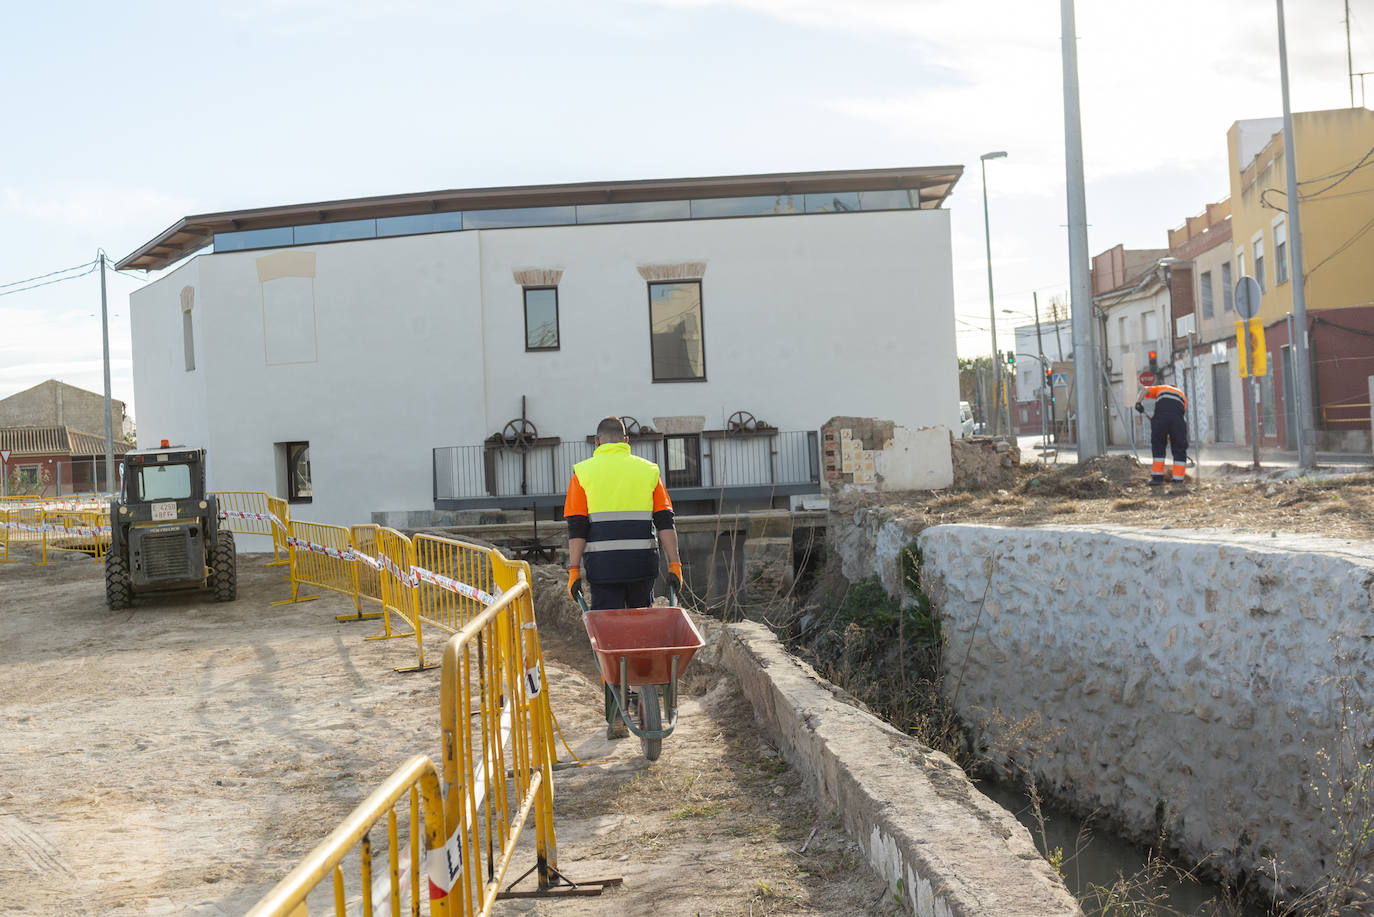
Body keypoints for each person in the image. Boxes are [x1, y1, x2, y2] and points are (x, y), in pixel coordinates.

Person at [564, 415, 682, 738]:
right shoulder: (649, 471)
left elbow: (577, 528)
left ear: (597, 442)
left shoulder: (582, 473)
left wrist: (574, 571)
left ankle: (616, 714)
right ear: (627, 442)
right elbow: (665, 522)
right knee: (641, 635)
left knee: (609, 643)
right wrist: (675, 565)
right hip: (641, 568)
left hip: (603, 573)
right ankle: (647, 700)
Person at [1135, 383, 1188, 486]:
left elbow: (1145, 389)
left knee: (1158, 446)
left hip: (1160, 419)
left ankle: (1157, 479)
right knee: (1179, 448)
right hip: (1178, 421)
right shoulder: (1182, 395)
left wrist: (1138, 403)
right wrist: (1172, 433)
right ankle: (1178, 480)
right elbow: (1180, 414)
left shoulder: (1162, 388)